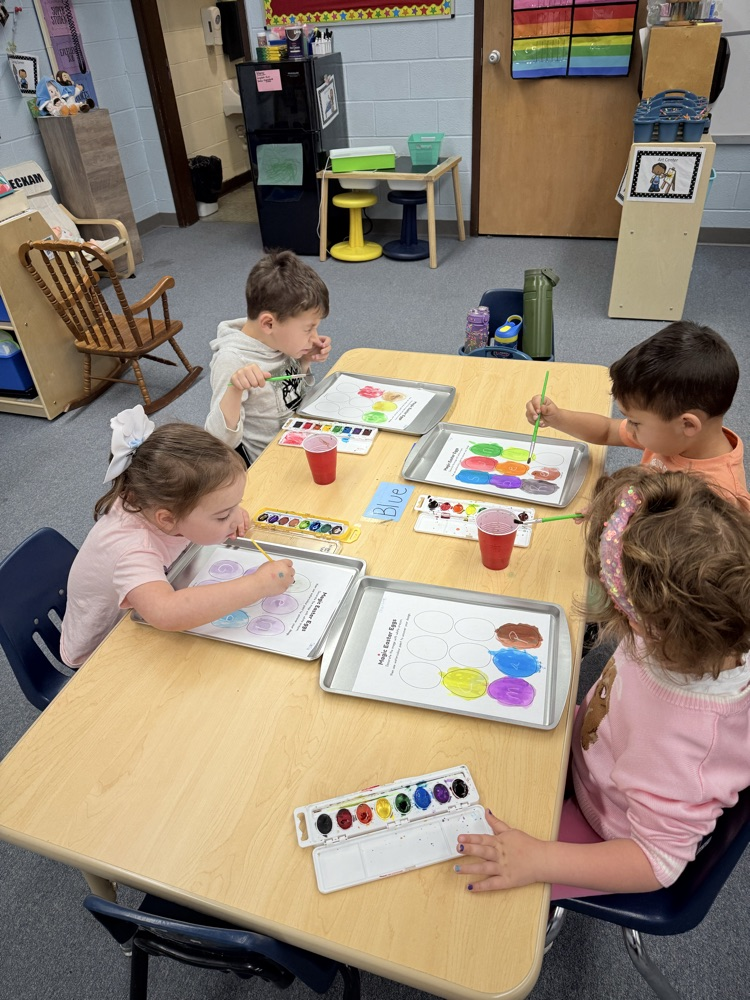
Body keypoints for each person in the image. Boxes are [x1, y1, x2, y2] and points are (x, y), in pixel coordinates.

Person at [454, 465, 750, 895]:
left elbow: (658, 862)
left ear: (646, 622)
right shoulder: (703, 627)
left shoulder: (685, 740)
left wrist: (539, 858)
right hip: (591, 751)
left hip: (606, 827)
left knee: (459, 877)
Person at [60, 406, 294, 668]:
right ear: (168, 519)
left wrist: (228, 511)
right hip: (103, 653)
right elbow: (166, 613)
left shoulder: (153, 498)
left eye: (235, 506)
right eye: (221, 515)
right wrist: (257, 586)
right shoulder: (133, 548)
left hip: (145, 607)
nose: (233, 518)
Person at [525, 321, 750, 509]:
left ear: (688, 425)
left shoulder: (722, 500)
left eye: (634, 422)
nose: (629, 428)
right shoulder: (671, 436)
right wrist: (557, 417)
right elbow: (606, 431)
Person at [205, 250, 332, 464]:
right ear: (268, 323)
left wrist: (304, 361)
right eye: (308, 329)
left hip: (300, 438)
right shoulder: (233, 360)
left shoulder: (278, 341)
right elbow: (218, 442)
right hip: (274, 465)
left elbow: (290, 395)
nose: (315, 338)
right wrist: (235, 390)